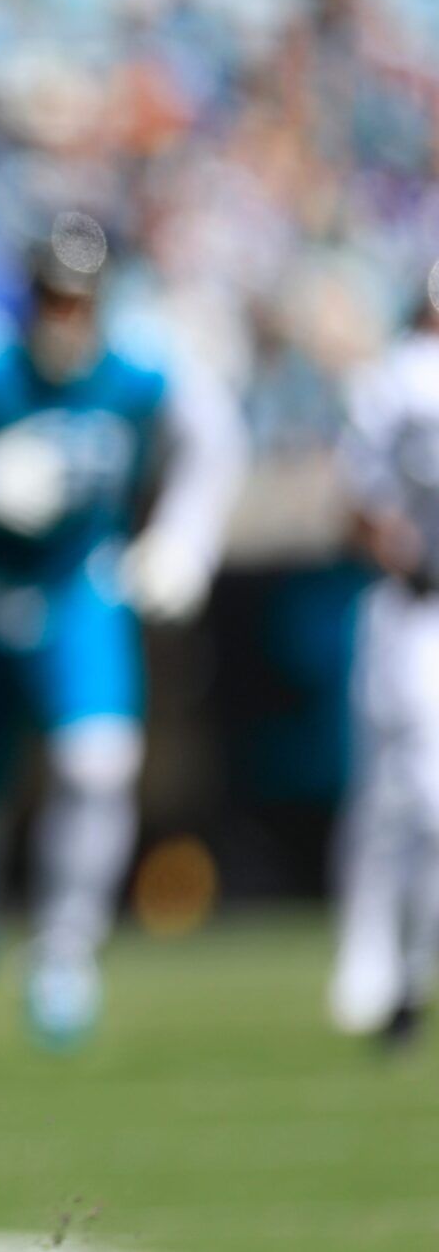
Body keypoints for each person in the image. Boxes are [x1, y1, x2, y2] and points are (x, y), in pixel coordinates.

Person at [0, 213, 243, 1053]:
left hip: (80, 592)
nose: (63, 318)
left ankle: (67, 953)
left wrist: (183, 541)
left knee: (98, 766)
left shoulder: (147, 360)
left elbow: (214, 446)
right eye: (50, 298)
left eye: (79, 300)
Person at [328, 266, 439, 1048]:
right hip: (415, 612)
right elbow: (360, 506)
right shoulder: (396, 382)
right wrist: (411, 559)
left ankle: (408, 970)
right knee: (406, 799)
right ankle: (380, 965)